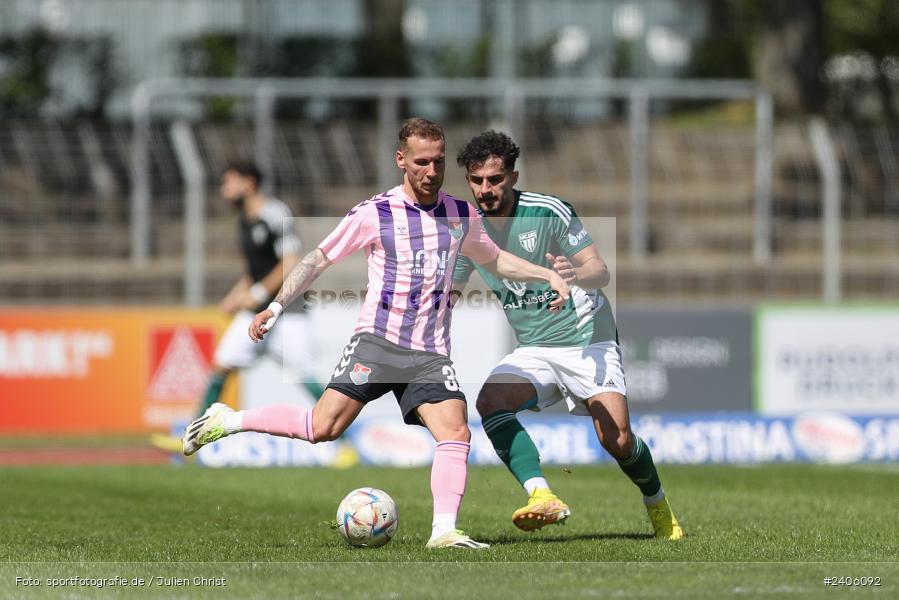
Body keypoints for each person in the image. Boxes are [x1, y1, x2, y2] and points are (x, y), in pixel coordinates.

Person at [181, 118, 571, 550]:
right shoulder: (375, 213)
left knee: (456, 432)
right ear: (401, 160)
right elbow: (317, 259)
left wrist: (545, 275)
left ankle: (444, 530)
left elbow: (496, 260)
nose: (431, 171)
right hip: (377, 344)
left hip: (429, 354)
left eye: (438, 161)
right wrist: (275, 306)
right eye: (421, 162)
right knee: (322, 427)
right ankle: (228, 420)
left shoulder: (460, 214)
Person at [453, 130, 684, 540]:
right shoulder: (468, 231)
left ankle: (658, 505)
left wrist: (573, 274)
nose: (485, 189)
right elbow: (448, 294)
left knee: (616, 439)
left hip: (586, 340)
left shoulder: (548, 211)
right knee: (490, 400)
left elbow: (600, 270)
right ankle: (541, 494)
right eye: (477, 180)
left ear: (513, 176)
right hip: (535, 349)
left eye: (495, 179)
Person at [151, 162, 336, 459]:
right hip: (255, 315)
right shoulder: (244, 221)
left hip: (287, 313)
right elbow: (256, 271)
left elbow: (291, 261)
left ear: (248, 183)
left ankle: (347, 441)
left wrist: (260, 293)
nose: (224, 189)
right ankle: (194, 435)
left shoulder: (275, 213)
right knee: (221, 365)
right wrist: (236, 296)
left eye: (229, 182)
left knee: (306, 375)